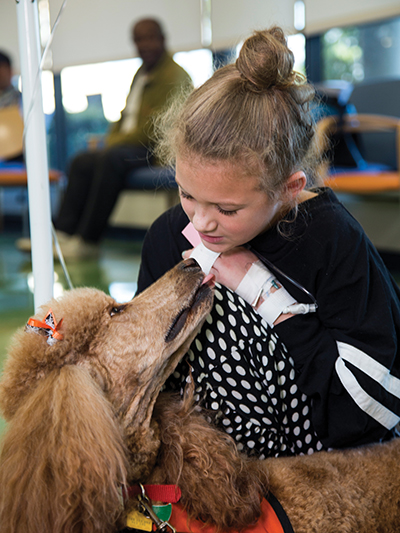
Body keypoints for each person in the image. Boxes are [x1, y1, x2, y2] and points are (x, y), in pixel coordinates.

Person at [136, 27, 400, 459]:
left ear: (290, 187)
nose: (201, 222)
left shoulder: (332, 240)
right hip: (202, 454)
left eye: (227, 209)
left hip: (323, 446)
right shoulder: (168, 235)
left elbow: (370, 415)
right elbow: (149, 370)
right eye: (187, 194)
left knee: (220, 312)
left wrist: (265, 294)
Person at [16, 18, 191, 258]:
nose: (145, 44)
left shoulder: (175, 76)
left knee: (110, 158)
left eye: (150, 37)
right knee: (81, 161)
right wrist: (111, 140)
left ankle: (87, 241)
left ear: (162, 38)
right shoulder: (141, 74)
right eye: (139, 39)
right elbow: (125, 117)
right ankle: (64, 233)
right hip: (127, 146)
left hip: (153, 149)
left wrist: (111, 143)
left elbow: (155, 130)